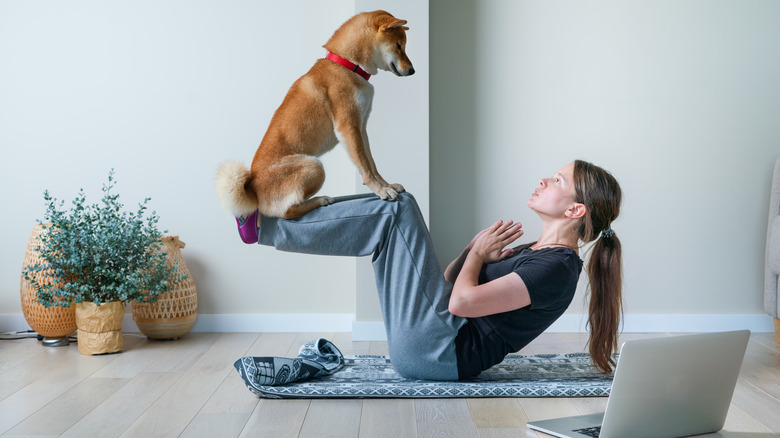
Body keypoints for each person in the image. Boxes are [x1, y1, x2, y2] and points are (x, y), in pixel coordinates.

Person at [237, 160, 622, 380]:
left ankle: (268, 225)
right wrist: (473, 251)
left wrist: (477, 257)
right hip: (433, 342)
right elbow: (449, 285)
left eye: (557, 181)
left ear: (575, 210)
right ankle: (271, 222)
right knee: (392, 213)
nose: (543, 179)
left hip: (440, 353)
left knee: (398, 207)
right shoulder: (537, 252)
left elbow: (462, 304)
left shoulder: (557, 268)